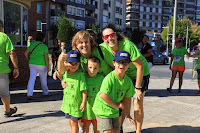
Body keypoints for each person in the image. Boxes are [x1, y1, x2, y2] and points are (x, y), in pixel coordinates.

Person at [100, 27, 149, 133]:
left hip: (139, 73)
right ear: (103, 39)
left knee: (137, 101)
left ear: (116, 35)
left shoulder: (127, 45)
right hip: (124, 74)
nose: (109, 38)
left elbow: (140, 67)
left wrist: (137, 88)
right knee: (120, 100)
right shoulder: (103, 49)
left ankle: (138, 131)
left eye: (112, 35)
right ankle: (119, 128)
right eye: (106, 37)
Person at [93, 50, 136, 133]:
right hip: (103, 109)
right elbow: (103, 95)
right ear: (114, 63)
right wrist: (116, 105)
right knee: (108, 131)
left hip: (113, 111)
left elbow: (127, 99)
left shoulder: (128, 81)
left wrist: (128, 114)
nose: (122, 64)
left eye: (125, 62)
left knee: (117, 131)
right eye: (119, 62)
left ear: (129, 64)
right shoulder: (109, 79)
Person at [59, 50, 87, 133]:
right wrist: (62, 82)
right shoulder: (66, 73)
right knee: (70, 121)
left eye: (76, 63)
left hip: (76, 105)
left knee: (74, 123)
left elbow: (84, 90)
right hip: (68, 104)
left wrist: (84, 103)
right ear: (67, 63)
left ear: (79, 63)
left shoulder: (80, 75)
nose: (73, 66)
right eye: (71, 63)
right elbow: (63, 80)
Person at [0, 20, 19, 117]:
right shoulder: (4, 37)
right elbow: (12, 53)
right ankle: (7, 111)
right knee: (4, 93)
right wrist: (16, 67)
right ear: (1, 27)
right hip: (2, 70)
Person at [24, 32, 50, 100]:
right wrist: (48, 66)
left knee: (32, 78)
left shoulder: (32, 44)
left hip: (32, 63)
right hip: (42, 64)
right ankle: (45, 92)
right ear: (43, 39)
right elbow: (46, 57)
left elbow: (26, 53)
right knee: (43, 79)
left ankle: (29, 93)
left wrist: (29, 59)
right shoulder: (44, 46)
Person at [81, 57, 104, 133]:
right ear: (86, 67)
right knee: (85, 126)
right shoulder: (83, 77)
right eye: (90, 67)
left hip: (98, 108)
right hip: (87, 108)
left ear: (99, 69)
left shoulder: (101, 78)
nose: (92, 70)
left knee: (97, 127)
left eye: (95, 68)